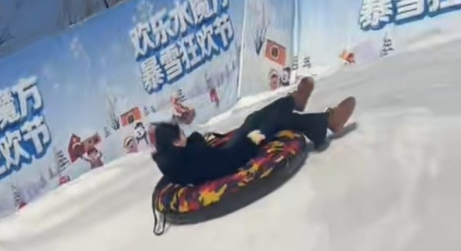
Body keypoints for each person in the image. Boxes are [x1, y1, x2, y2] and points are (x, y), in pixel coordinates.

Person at [151, 77, 355, 186]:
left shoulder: (176, 159)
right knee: (273, 122)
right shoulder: (191, 157)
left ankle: (294, 101)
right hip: (240, 153)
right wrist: (251, 140)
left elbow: (203, 150)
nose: (185, 135)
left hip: (230, 151)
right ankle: (325, 121)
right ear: (175, 143)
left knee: (253, 118)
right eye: (181, 134)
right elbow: (220, 161)